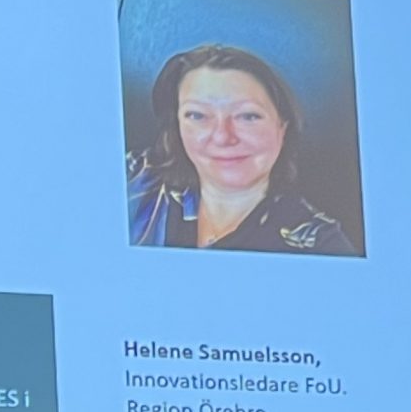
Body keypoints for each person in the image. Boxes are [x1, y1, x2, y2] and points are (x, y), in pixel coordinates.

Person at [126, 44, 352, 255]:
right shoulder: (133, 179)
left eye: (248, 116)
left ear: (283, 127)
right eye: (197, 115)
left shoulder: (321, 245)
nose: (223, 137)